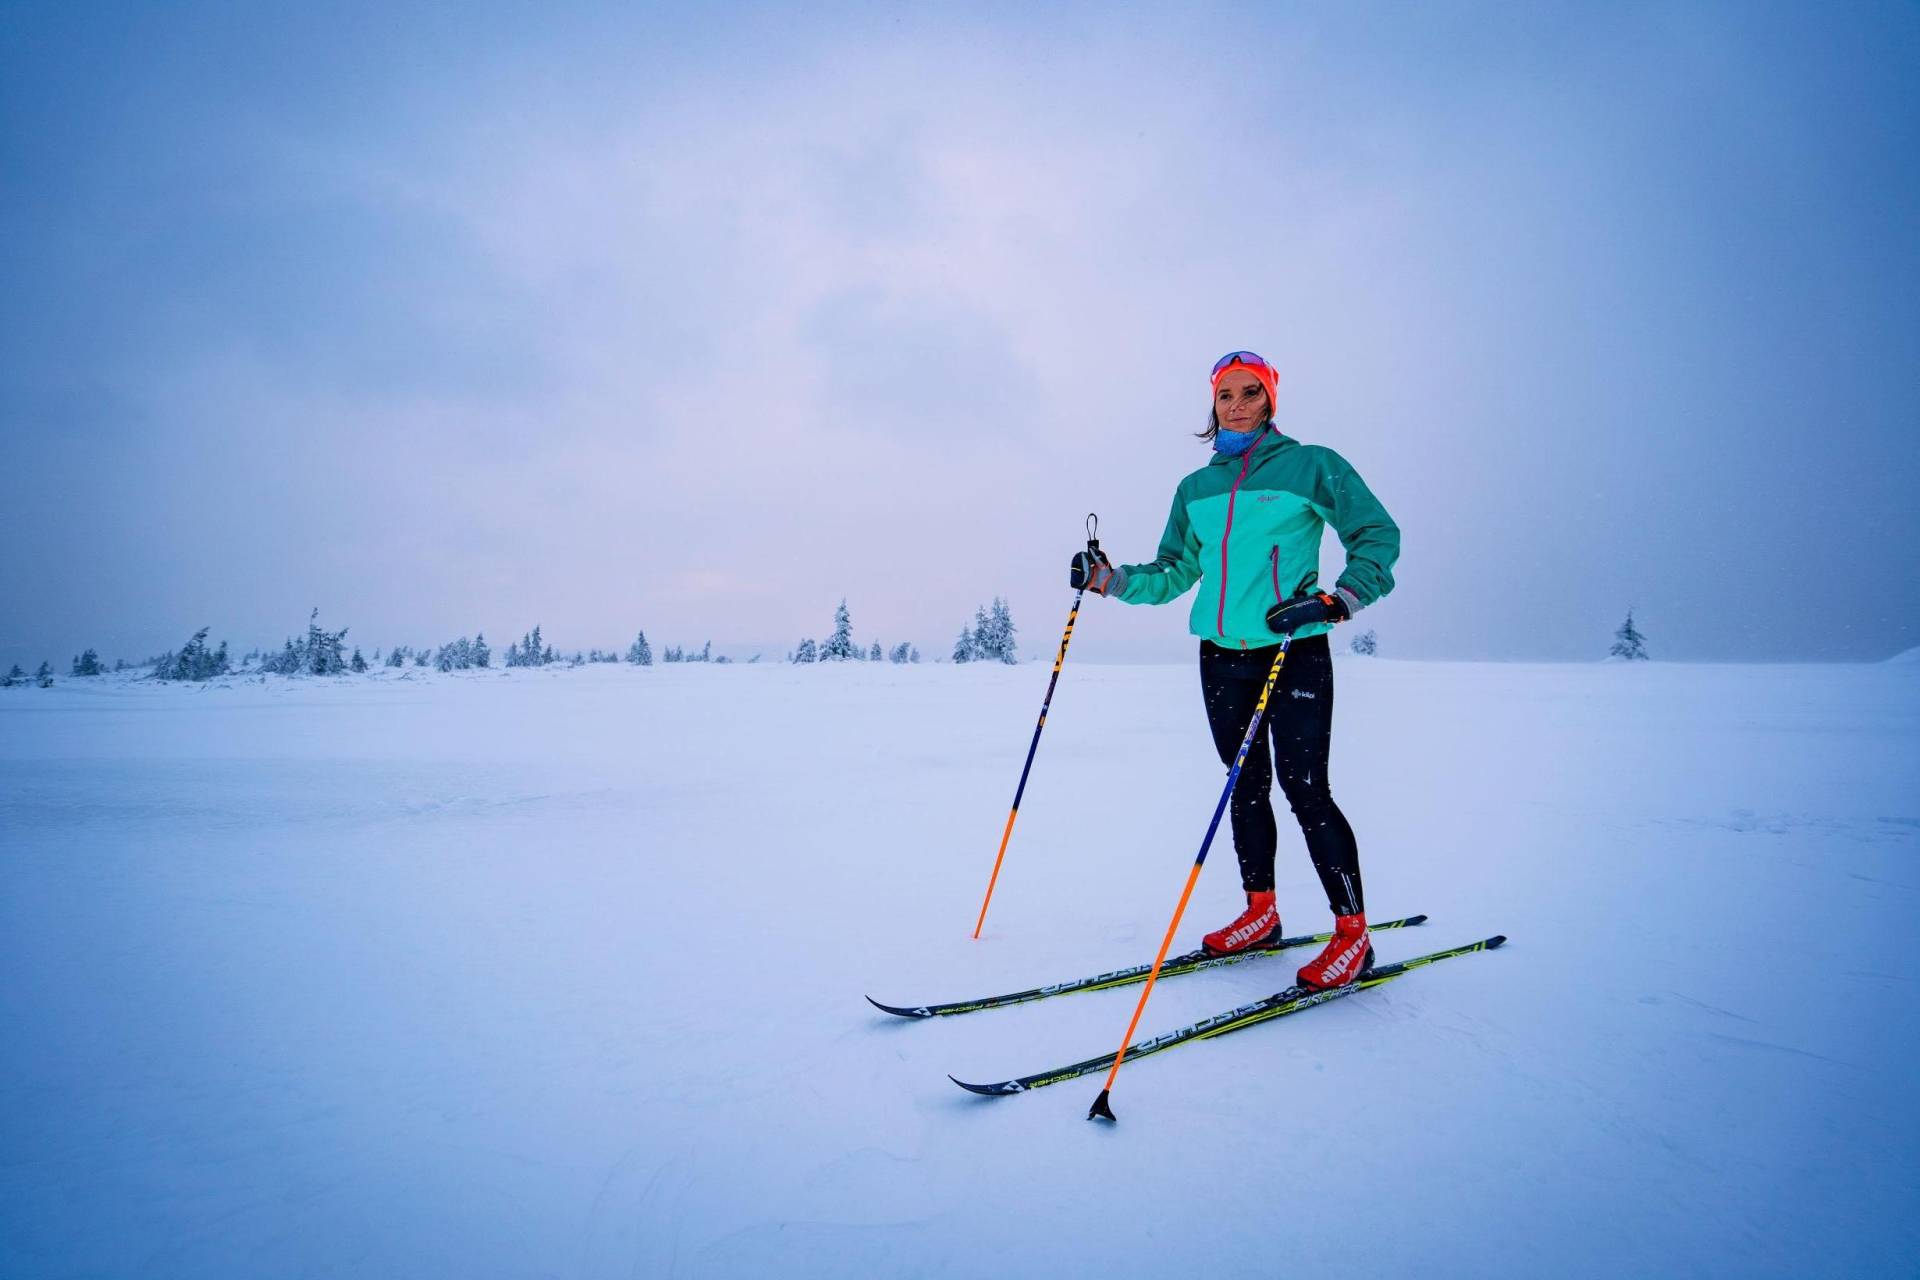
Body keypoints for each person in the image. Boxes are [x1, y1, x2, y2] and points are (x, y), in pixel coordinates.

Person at [1070, 351, 1400, 990]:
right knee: (1243, 786)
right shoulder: (1197, 489)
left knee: (1306, 789)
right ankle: (1261, 912)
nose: (1239, 404)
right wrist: (1108, 580)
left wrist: (1335, 600)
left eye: (1251, 392)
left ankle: (1353, 936)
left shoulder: (1311, 466)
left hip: (1291, 646)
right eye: (1227, 395)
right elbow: (1174, 573)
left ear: (1270, 400)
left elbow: (1376, 536)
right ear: (1212, 405)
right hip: (1221, 654)